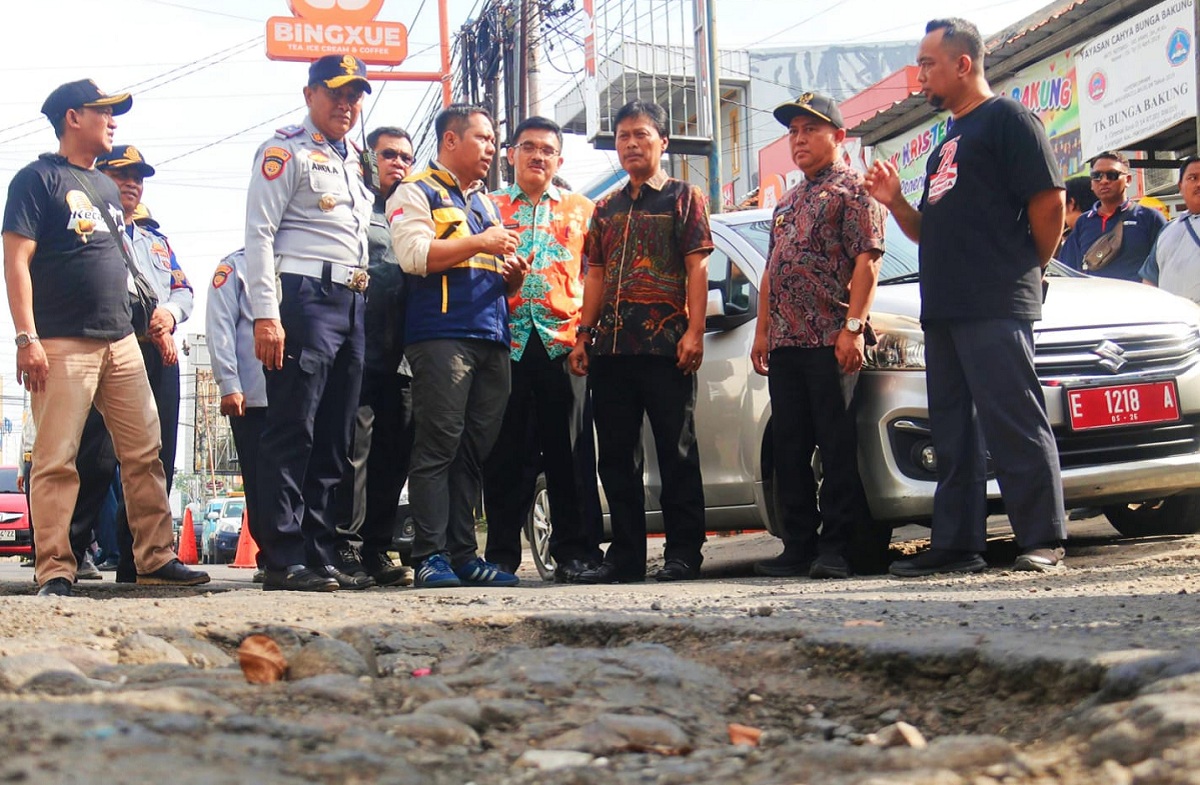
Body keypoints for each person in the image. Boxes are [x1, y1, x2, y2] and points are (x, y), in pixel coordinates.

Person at [864, 18, 1068, 576]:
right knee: (952, 428)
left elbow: (1049, 205)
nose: (919, 76)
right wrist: (896, 203)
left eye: (928, 63)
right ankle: (958, 545)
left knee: (1014, 418)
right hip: (946, 307)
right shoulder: (945, 145)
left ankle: (1043, 540)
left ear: (962, 64)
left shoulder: (1009, 120)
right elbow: (931, 229)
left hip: (996, 300)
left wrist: (1028, 267)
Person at [2, 78, 208, 596]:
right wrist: (26, 337)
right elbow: (16, 259)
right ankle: (55, 568)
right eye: (104, 112)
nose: (112, 121)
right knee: (57, 459)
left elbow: (125, 265)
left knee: (145, 452)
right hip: (63, 343)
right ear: (73, 118)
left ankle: (155, 557)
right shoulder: (37, 180)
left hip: (122, 343)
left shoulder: (105, 188)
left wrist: (150, 324)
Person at [568, 100, 713, 584]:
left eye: (641, 135)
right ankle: (626, 557)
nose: (631, 144)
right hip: (610, 351)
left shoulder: (682, 197)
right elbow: (596, 274)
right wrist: (583, 334)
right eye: (623, 136)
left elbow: (698, 265)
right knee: (615, 456)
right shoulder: (605, 208)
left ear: (662, 142)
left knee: (676, 452)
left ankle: (684, 554)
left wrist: (695, 330)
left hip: (667, 348)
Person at [244, 54, 374, 592]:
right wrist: (267, 316)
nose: (345, 104)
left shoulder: (354, 159)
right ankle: (283, 554)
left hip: (351, 299)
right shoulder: (284, 151)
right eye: (335, 92)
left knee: (335, 435)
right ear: (309, 94)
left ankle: (320, 552)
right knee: (293, 427)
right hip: (303, 295)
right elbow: (259, 233)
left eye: (353, 95)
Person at [388, 104, 528, 589]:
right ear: (451, 140)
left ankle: (465, 555)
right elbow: (413, 255)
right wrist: (481, 243)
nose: (492, 148)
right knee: (438, 446)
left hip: (492, 336)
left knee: (471, 451)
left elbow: (487, 261)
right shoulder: (416, 190)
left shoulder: (484, 203)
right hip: (443, 337)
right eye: (483, 138)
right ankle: (430, 556)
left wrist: (513, 277)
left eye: (492, 140)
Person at [750, 92, 885, 580]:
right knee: (789, 449)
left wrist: (852, 328)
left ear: (839, 137)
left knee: (836, 448)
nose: (799, 139)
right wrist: (763, 331)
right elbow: (770, 272)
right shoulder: (787, 199)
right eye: (793, 132)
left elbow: (868, 262)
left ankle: (839, 549)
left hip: (831, 341)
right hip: (786, 345)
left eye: (810, 129)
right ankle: (799, 546)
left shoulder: (855, 190)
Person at [483, 116, 604, 582]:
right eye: (528, 147)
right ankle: (499, 556)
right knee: (504, 454)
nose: (537, 156)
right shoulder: (489, 207)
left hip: (564, 344)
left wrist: (586, 335)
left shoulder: (582, 209)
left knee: (570, 453)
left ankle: (576, 553)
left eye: (547, 149)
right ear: (511, 153)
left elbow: (595, 274)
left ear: (559, 158)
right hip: (503, 343)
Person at [96, 145, 194, 581]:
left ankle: (140, 557)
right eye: (122, 174)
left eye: (138, 177)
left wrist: (169, 316)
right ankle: (65, 556)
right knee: (96, 460)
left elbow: (182, 289)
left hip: (157, 353)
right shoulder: (90, 230)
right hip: (109, 349)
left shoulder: (157, 240)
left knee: (158, 455)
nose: (132, 183)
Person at [333, 125, 417, 588]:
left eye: (405, 156)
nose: (398, 163)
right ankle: (342, 543)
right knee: (354, 455)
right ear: (369, 160)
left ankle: (377, 547)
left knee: (394, 455)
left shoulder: (416, 213)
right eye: (388, 155)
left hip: (405, 357)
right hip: (360, 351)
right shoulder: (353, 211)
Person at [206, 248, 266, 571]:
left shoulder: (298, 257)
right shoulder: (235, 267)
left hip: (299, 397)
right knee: (260, 482)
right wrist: (228, 384)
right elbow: (220, 328)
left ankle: (304, 553)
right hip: (253, 398)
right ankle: (271, 554)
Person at [1059, 151, 1166, 281]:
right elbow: (1068, 271)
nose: (1104, 181)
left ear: (1128, 180)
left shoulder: (1150, 218)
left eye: (1112, 175)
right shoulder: (1083, 222)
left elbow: (1166, 265)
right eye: (1097, 176)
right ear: (1092, 184)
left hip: (1139, 299)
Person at [1140, 157, 1200, 303]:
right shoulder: (1167, 231)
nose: (1199, 184)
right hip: (1177, 322)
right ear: (1180, 186)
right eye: (1193, 178)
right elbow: (1149, 282)